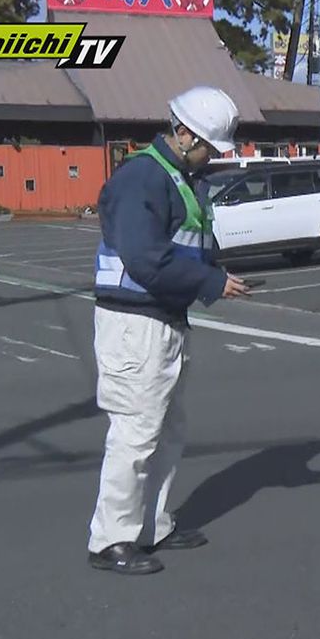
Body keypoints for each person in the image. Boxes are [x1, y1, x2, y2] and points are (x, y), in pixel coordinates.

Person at [87, 86, 251, 574]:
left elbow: (190, 245)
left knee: (166, 430)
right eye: (207, 147)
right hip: (135, 324)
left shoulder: (179, 178)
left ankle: (149, 525)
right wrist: (210, 281)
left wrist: (215, 273)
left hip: (163, 319)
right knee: (135, 434)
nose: (209, 157)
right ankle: (110, 539)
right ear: (183, 133)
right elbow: (144, 260)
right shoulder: (142, 178)